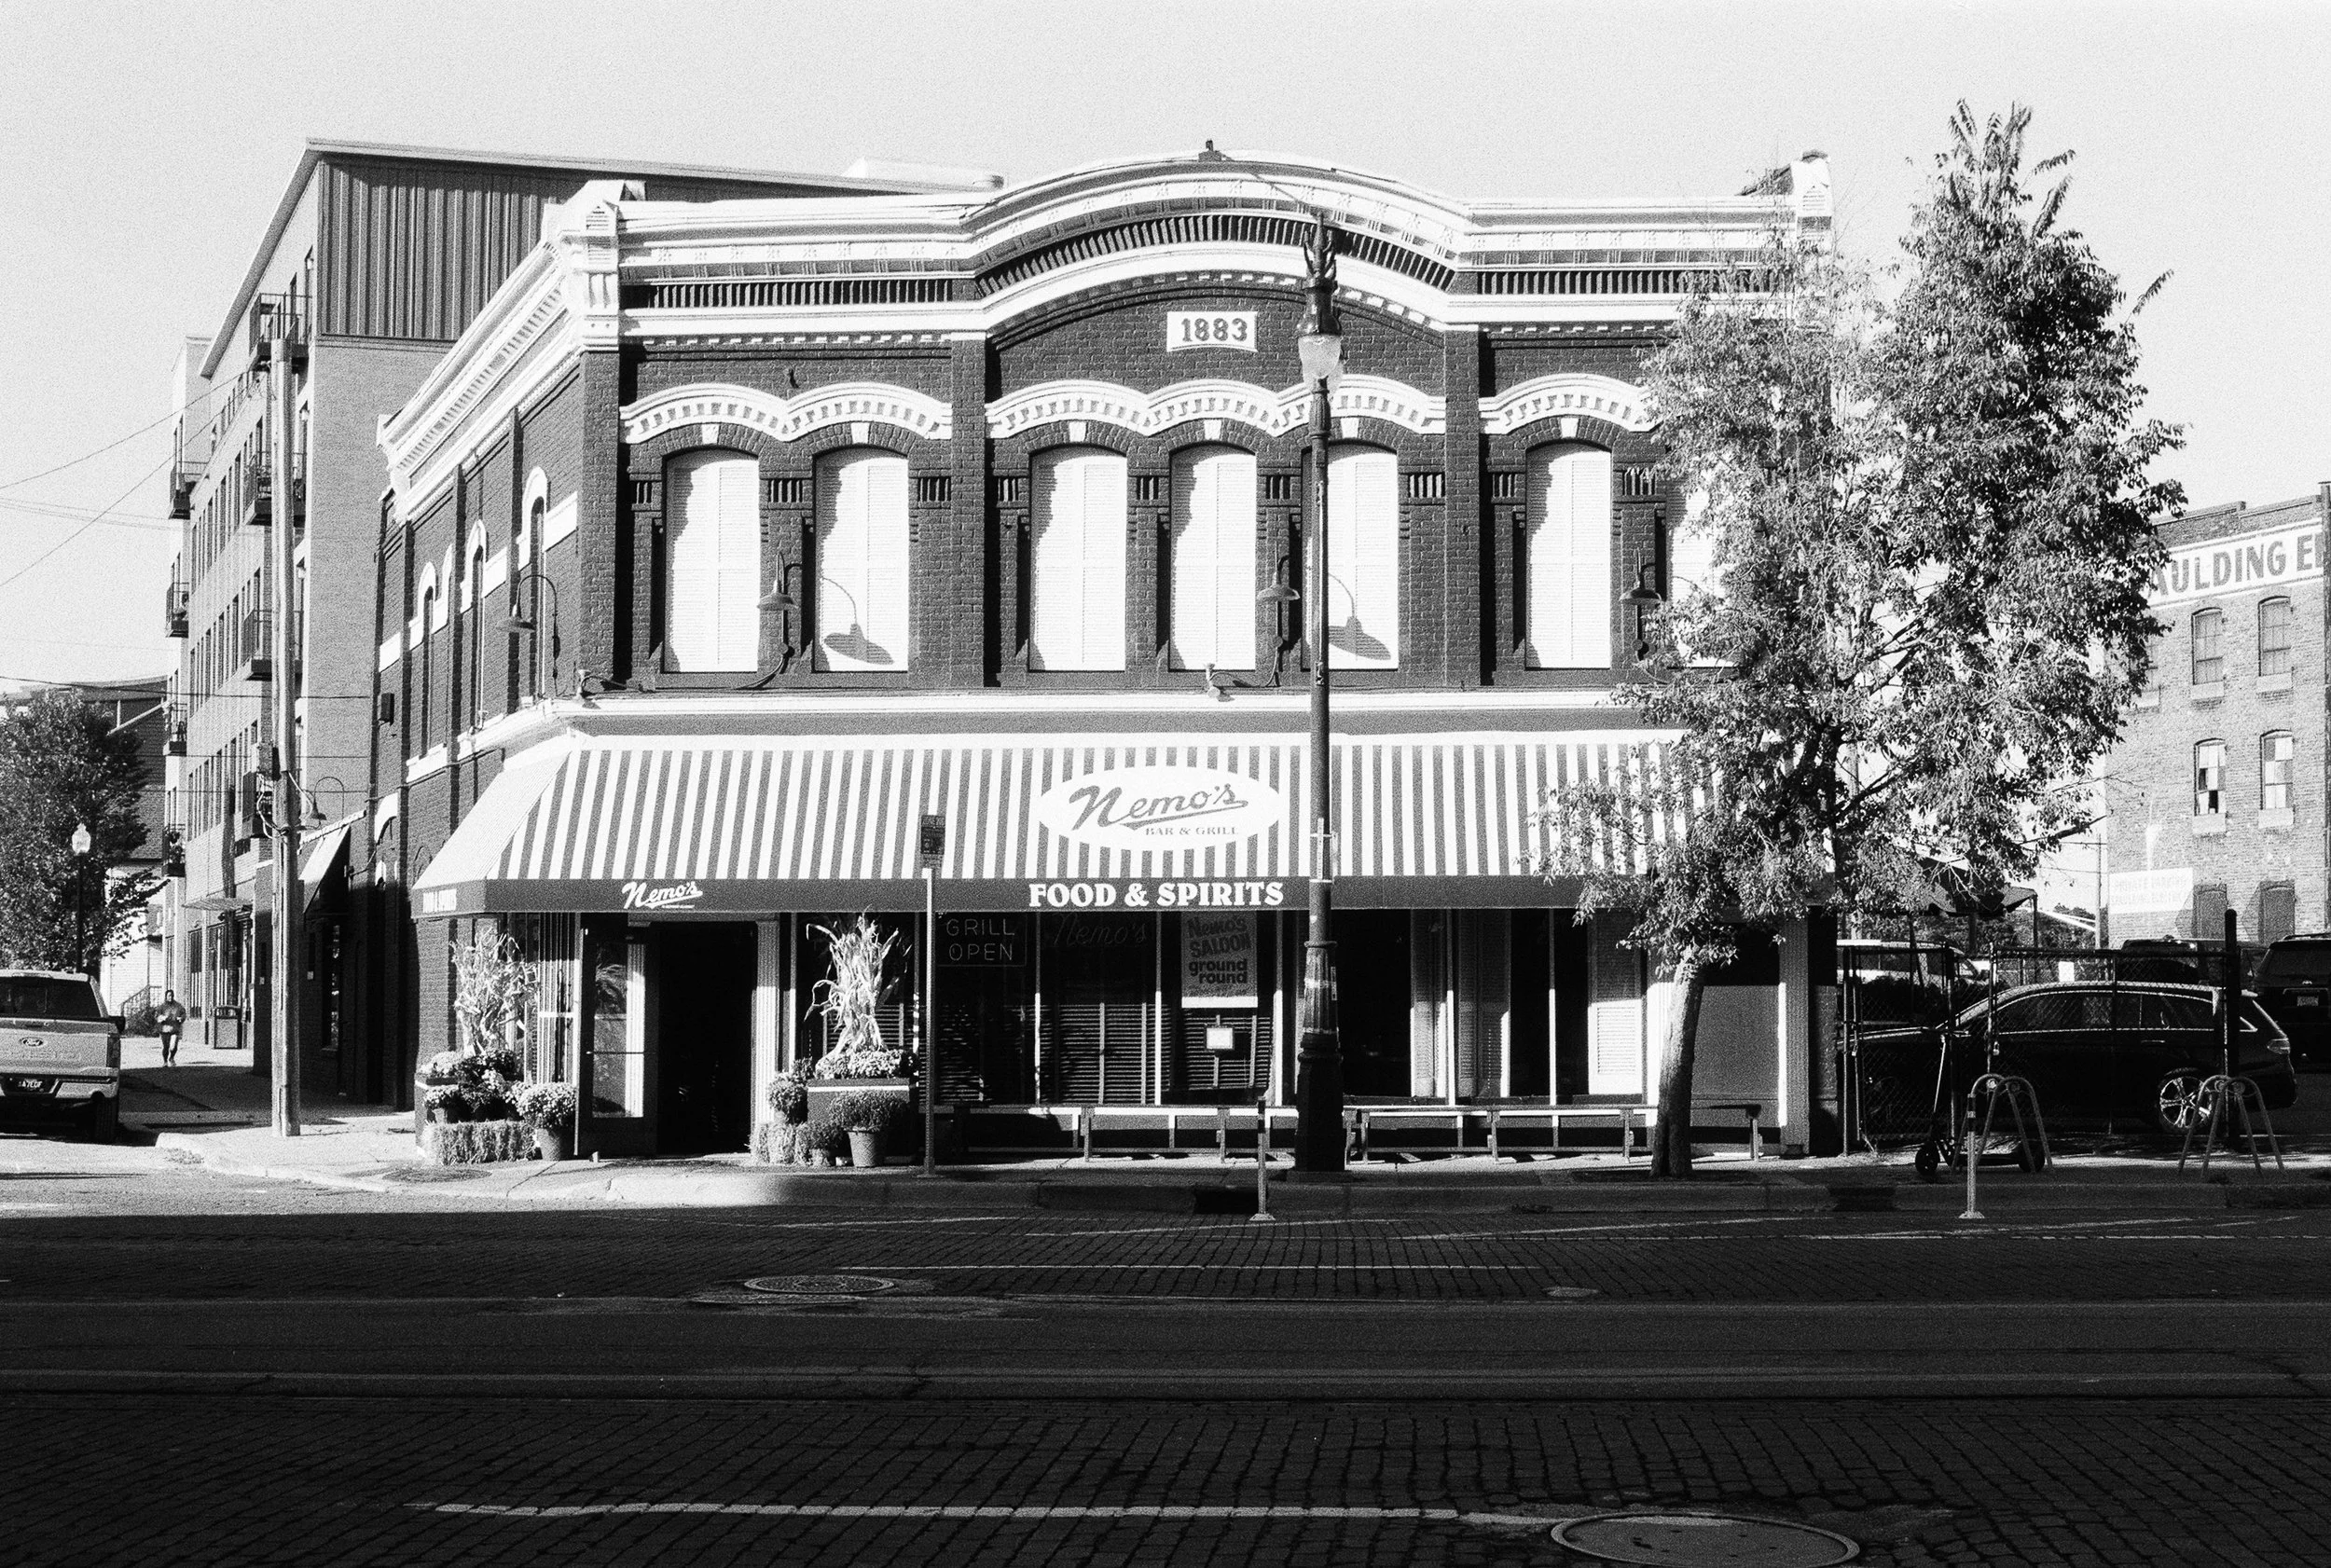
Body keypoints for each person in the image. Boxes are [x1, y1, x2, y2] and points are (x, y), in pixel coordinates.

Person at [155, 989, 187, 1066]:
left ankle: (171, 1058)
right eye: (169, 996)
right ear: (166, 997)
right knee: (166, 1047)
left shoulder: (178, 1006)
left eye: (172, 996)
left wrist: (181, 1018)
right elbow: (156, 1016)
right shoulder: (162, 1007)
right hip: (165, 1029)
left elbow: (184, 1014)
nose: (170, 997)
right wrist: (162, 1018)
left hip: (174, 1029)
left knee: (173, 1046)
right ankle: (165, 1061)